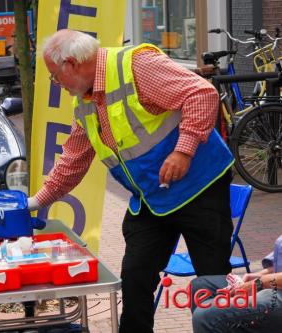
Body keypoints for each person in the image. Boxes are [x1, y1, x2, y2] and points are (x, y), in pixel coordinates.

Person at [28, 29, 234, 333]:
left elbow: (201, 94)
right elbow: (72, 161)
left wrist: (183, 151)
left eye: (55, 77)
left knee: (211, 280)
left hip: (199, 187)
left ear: (71, 63)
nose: (57, 84)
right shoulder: (85, 103)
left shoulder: (137, 66)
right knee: (136, 276)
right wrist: (34, 203)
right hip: (152, 197)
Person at [191, 235, 282, 333]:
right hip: (273, 282)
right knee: (201, 286)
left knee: (206, 315)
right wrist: (260, 274)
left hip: (276, 288)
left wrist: (259, 283)